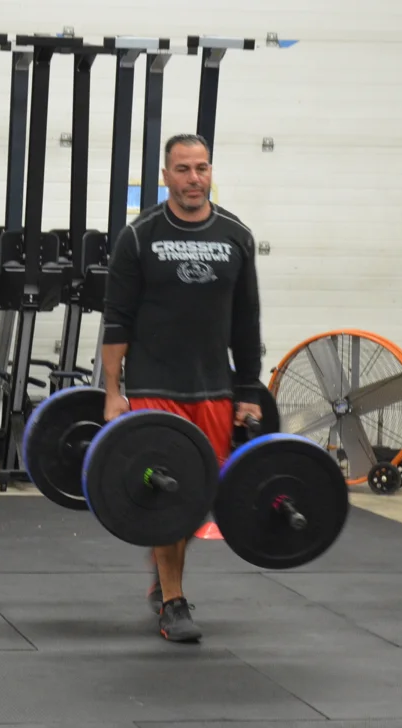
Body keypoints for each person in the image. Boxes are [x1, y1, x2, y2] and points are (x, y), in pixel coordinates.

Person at [100, 133, 263, 643]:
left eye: (202, 168)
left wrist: (249, 392)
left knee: (198, 497)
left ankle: (163, 568)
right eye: (184, 169)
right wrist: (113, 392)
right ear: (165, 175)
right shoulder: (139, 236)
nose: (194, 179)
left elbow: (247, 322)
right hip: (155, 386)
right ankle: (173, 601)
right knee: (172, 495)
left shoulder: (236, 235)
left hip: (213, 388)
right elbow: (116, 320)